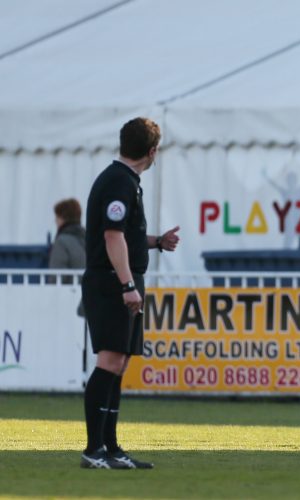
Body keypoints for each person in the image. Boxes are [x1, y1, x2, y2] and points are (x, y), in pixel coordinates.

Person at [80, 117, 180, 469]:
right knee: (109, 362)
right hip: (111, 282)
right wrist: (127, 285)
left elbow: (123, 235)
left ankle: (110, 448)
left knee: (118, 364)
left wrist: (156, 242)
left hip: (118, 278)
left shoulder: (124, 181)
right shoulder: (119, 183)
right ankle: (94, 450)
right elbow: (112, 237)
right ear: (152, 151)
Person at [48, 199, 86, 315]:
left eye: (57, 217)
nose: (55, 221)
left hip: (67, 305)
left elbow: (56, 278)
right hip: (89, 299)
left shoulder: (62, 242)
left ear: (62, 218)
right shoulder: (89, 239)